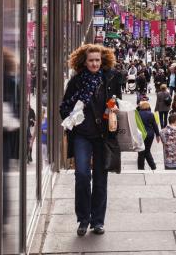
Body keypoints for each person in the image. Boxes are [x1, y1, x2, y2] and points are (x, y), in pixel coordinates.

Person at [60, 43, 122, 236]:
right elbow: (63, 108)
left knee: (101, 178)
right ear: (84, 62)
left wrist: (114, 107)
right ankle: (83, 219)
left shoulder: (109, 78)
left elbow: (117, 100)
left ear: (102, 60)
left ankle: (97, 221)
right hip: (82, 135)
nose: (94, 64)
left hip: (103, 135)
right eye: (91, 61)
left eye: (97, 60)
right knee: (82, 176)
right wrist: (73, 114)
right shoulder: (76, 82)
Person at [137, 100, 160, 170]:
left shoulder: (138, 114)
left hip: (140, 135)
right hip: (150, 134)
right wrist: (157, 135)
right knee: (147, 150)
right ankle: (153, 166)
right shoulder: (150, 114)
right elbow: (155, 125)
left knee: (141, 151)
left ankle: (141, 168)